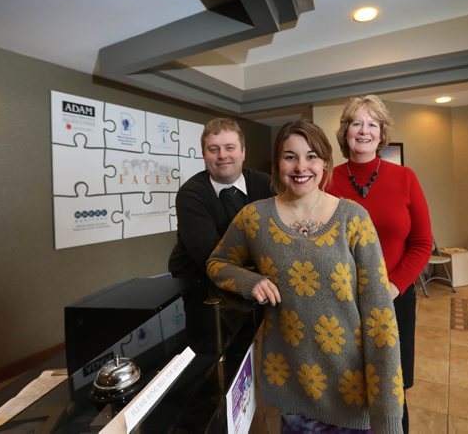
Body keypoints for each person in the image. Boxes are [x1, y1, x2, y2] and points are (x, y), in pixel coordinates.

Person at [207, 119, 404, 434]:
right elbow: (217, 263)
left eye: (311, 156)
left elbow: (381, 320)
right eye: (290, 156)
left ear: (325, 162)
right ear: (277, 163)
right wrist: (250, 281)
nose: (301, 166)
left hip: (352, 393)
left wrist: (389, 417)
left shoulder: (353, 219)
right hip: (295, 396)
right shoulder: (254, 218)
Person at [326, 95, 432, 434]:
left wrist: (392, 286)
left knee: (391, 390)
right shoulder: (327, 180)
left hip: (394, 301)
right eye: (356, 123)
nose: (364, 130)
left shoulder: (405, 178)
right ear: (345, 132)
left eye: (372, 124)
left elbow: (422, 243)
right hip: (341, 305)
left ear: (382, 133)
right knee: (346, 386)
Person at [168, 117, 273, 286]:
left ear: (243, 152)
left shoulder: (265, 183)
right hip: (197, 281)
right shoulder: (190, 194)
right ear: (204, 155)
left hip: (254, 277)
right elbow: (212, 257)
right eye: (213, 149)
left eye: (229, 147)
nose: (222, 155)